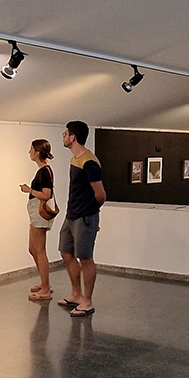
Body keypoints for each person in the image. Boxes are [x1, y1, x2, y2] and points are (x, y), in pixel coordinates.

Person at [58, 121, 106, 316]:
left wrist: (91, 216)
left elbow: (101, 194)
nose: (63, 136)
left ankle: (87, 301)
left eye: (65, 133)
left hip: (84, 217)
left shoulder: (89, 162)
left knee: (85, 258)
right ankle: (76, 294)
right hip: (71, 215)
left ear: (73, 137)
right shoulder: (74, 160)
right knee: (66, 253)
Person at [19, 139, 56, 301]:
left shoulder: (44, 172)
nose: (29, 152)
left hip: (39, 214)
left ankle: (46, 288)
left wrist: (29, 190)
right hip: (35, 214)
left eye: (31, 149)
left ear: (38, 152)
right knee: (32, 249)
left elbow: (46, 195)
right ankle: (44, 282)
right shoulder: (43, 171)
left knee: (39, 250)